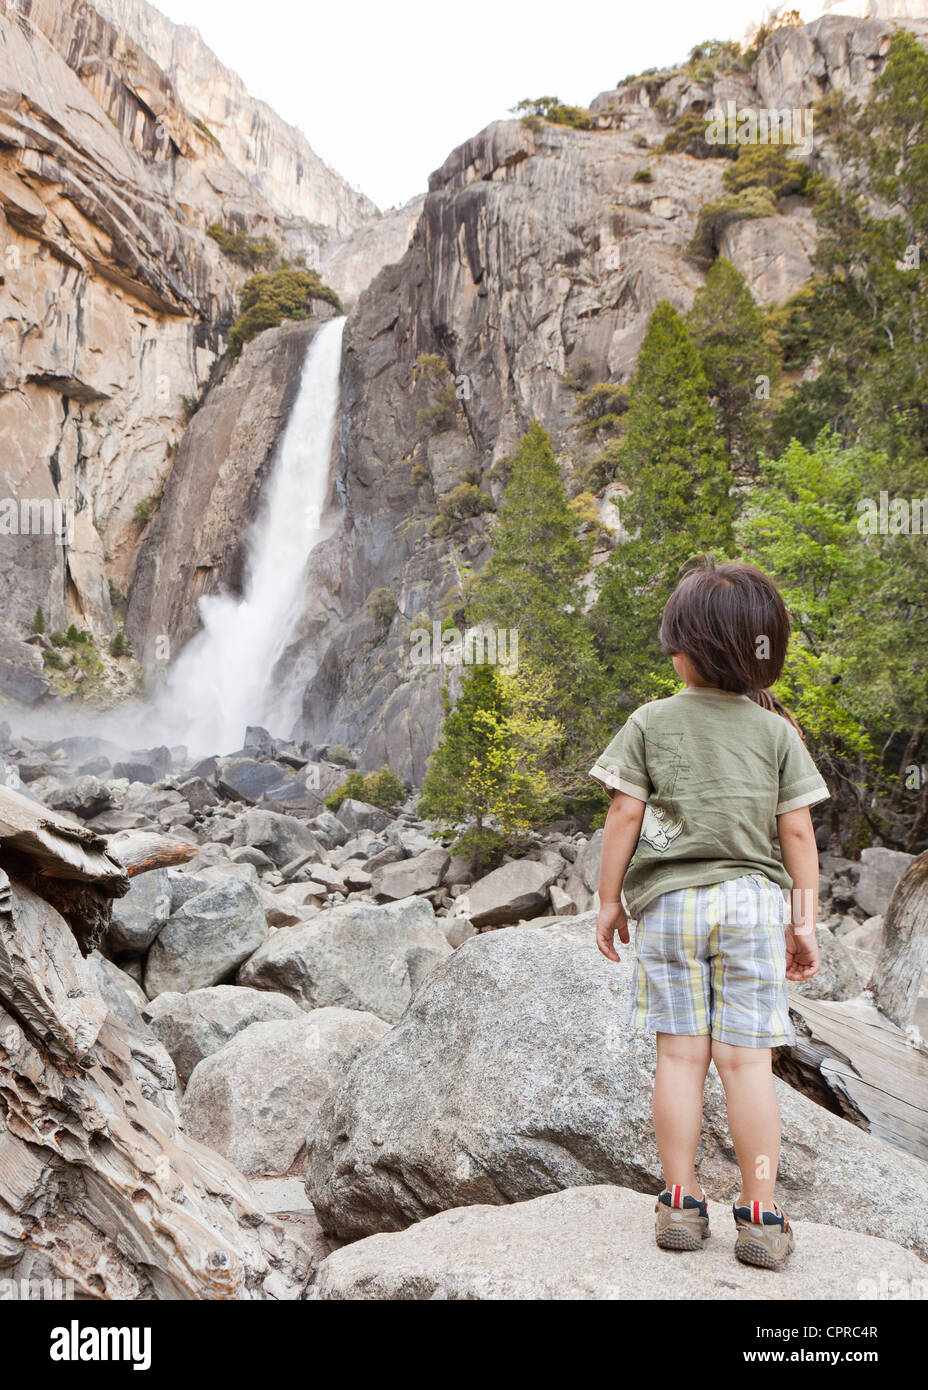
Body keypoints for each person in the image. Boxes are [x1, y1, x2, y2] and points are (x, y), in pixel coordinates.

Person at [591, 559, 827, 1268]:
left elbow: (625, 812)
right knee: (748, 1063)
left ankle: (681, 1202)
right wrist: (804, 920)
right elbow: (797, 835)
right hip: (753, 906)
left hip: (668, 906)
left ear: (684, 649)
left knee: (679, 1055)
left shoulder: (649, 722)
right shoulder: (776, 733)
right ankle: (758, 1214)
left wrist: (607, 901)